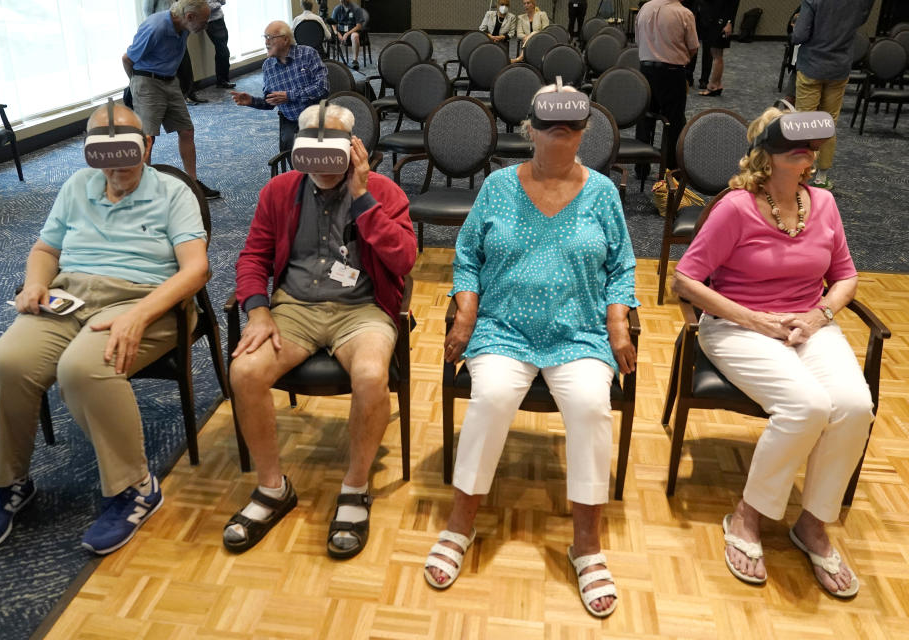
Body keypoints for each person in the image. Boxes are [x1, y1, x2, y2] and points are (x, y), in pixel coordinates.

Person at [423, 84, 638, 618]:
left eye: (571, 128)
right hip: (503, 328)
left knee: (591, 405)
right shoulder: (498, 187)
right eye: (550, 127)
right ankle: (460, 524)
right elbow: (467, 255)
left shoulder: (604, 193)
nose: (560, 136)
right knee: (492, 396)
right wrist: (467, 312)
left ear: (585, 133)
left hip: (578, 333)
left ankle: (586, 544)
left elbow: (623, 267)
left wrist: (617, 323)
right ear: (531, 130)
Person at [0, 101, 209, 555]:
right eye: (102, 150)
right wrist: (36, 284)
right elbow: (45, 248)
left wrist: (139, 314)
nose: (116, 162)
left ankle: (134, 487)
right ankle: (8, 484)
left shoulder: (174, 193)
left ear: (147, 145)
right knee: (5, 364)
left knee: (83, 368)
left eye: (127, 148)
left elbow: (195, 270)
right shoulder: (78, 186)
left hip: (145, 300)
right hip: (70, 296)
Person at [672, 107, 873, 598]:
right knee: (807, 406)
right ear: (768, 155)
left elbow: (845, 275)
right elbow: (686, 278)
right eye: (794, 147)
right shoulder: (736, 207)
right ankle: (748, 514)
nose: (805, 154)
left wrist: (820, 315)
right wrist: (754, 319)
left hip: (807, 324)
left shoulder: (823, 204)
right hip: (739, 327)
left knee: (853, 405)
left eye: (809, 148)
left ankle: (813, 523)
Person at [224, 102, 417, 557]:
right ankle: (272, 489)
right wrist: (257, 310)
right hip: (294, 307)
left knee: (371, 375)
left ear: (353, 148)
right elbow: (253, 256)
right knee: (246, 372)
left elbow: (405, 260)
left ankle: (354, 488)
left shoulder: (383, 192)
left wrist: (364, 198)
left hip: (362, 308)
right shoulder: (279, 191)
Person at [122, 0, 220, 198]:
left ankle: (192, 183)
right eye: (204, 21)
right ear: (189, 17)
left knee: (186, 130)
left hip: (170, 81)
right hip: (147, 81)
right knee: (148, 138)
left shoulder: (184, 27)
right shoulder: (155, 27)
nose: (205, 25)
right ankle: (142, 189)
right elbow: (127, 59)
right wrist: (135, 85)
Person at [792, 0, 874, 190]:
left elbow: (799, 35)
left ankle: (798, 174)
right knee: (828, 122)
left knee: (804, 121)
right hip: (839, 68)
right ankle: (822, 176)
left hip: (812, 66)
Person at [229, 22, 328, 160]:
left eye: (270, 37)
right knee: (295, 156)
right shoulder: (268, 66)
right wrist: (252, 101)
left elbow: (322, 88)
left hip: (317, 115)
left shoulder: (308, 54)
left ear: (286, 39)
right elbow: (270, 102)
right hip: (290, 120)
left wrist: (290, 96)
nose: (266, 42)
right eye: (264, 37)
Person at [634, 0, 699, 174]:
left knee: (645, 117)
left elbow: (638, 41)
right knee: (674, 121)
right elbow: (693, 48)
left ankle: (641, 167)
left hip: (645, 70)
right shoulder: (684, 13)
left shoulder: (644, 9)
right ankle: (670, 169)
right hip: (672, 72)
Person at [695, 0, 740, 95]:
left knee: (717, 54)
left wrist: (729, 23)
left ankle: (713, 86)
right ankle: (717, 84)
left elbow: (733, 5)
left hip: (722, 22)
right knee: (715, 53)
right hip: (715, 21)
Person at [205, 0, 234, 89]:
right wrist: (218, 3)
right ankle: (222, 81)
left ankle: (223, 80)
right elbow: (207, 7)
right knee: (223, 51)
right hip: (212, 22)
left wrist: (218, 2)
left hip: (220, 19)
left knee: (222, 51)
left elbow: (223, 1)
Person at [331, 0, 366, 70]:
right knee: (330, 37)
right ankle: (335, 62)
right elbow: (333, 24)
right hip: (341, 31)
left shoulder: (356, 9)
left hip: (353, 31)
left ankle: (355, 61)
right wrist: (337, 33)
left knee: (355, 36)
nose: (342, 1)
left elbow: (359, 26)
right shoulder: (337, 9)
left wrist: (347, 33)